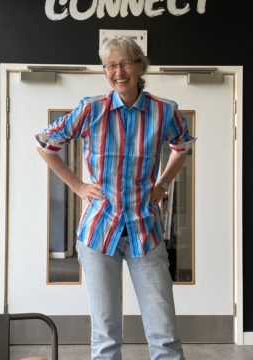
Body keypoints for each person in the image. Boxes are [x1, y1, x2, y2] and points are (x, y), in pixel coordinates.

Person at [35, 36, 195, 360]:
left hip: (145, 232)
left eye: (125, 63)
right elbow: (46, 145)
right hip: (98, 233)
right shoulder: (91, 109)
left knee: (164, 336)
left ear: (139, 66)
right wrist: (78, 186)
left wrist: (163, 183)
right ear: (105, 70)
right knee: (106, 338)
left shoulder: (165, 111)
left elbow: (182, 148)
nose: (118, 71)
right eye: (110, 65)